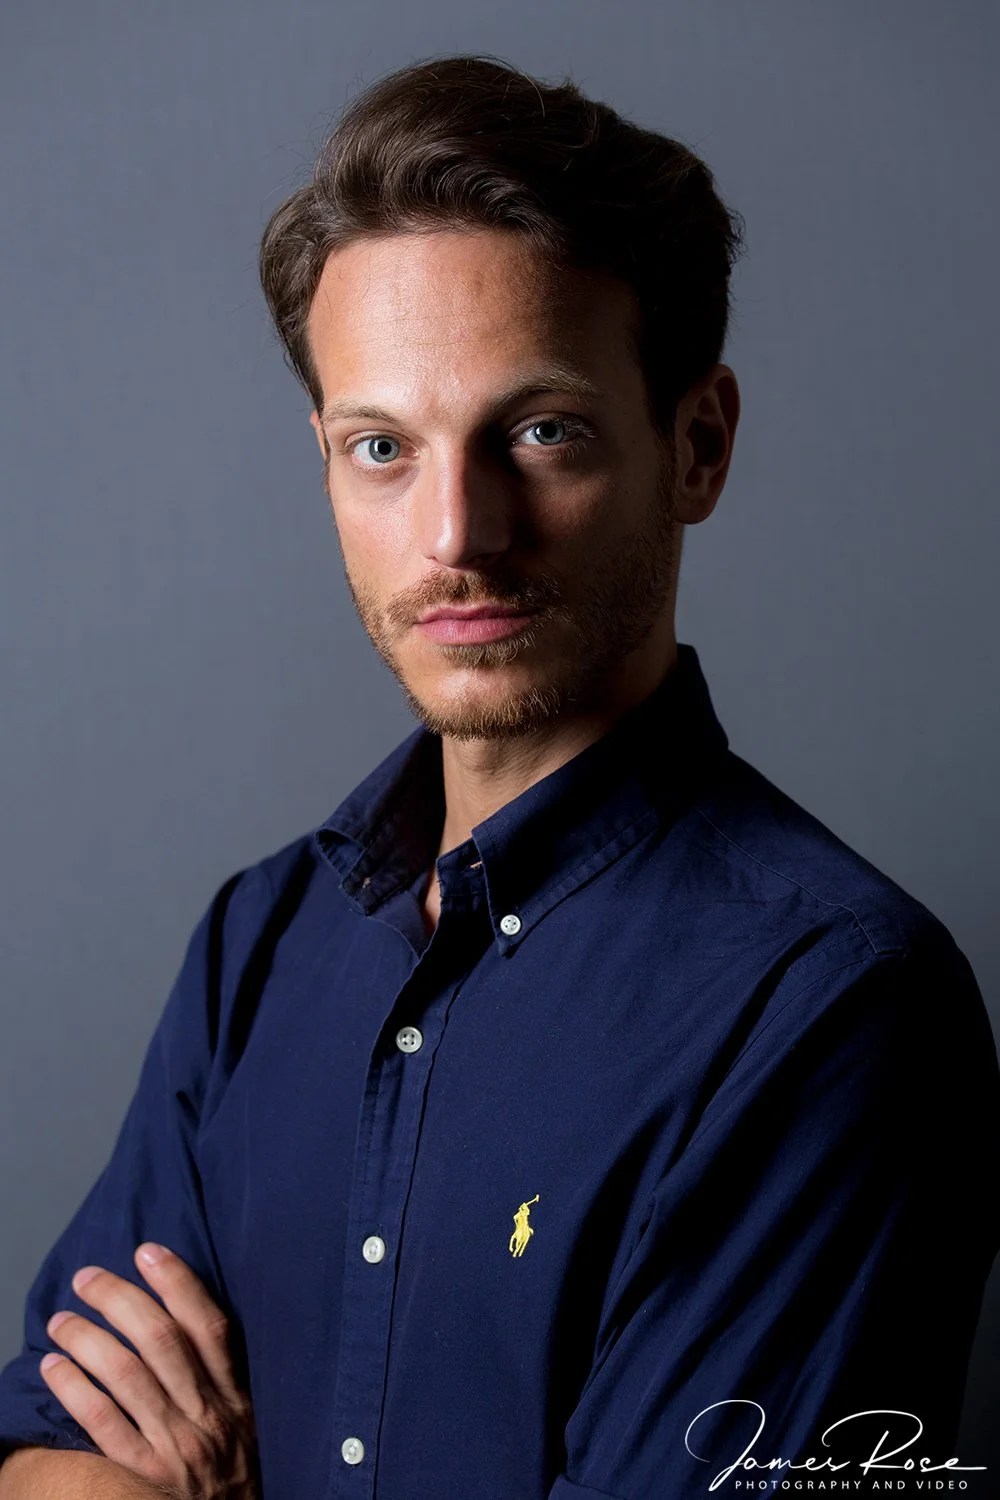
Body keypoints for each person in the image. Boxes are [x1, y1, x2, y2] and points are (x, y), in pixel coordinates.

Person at [0, 52, 997, 1500]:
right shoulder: (260, 948)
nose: (457, 531)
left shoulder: (833, 1011)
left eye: (541, 432)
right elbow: (46, 1467)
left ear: (697, 444)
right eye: (382, 448)